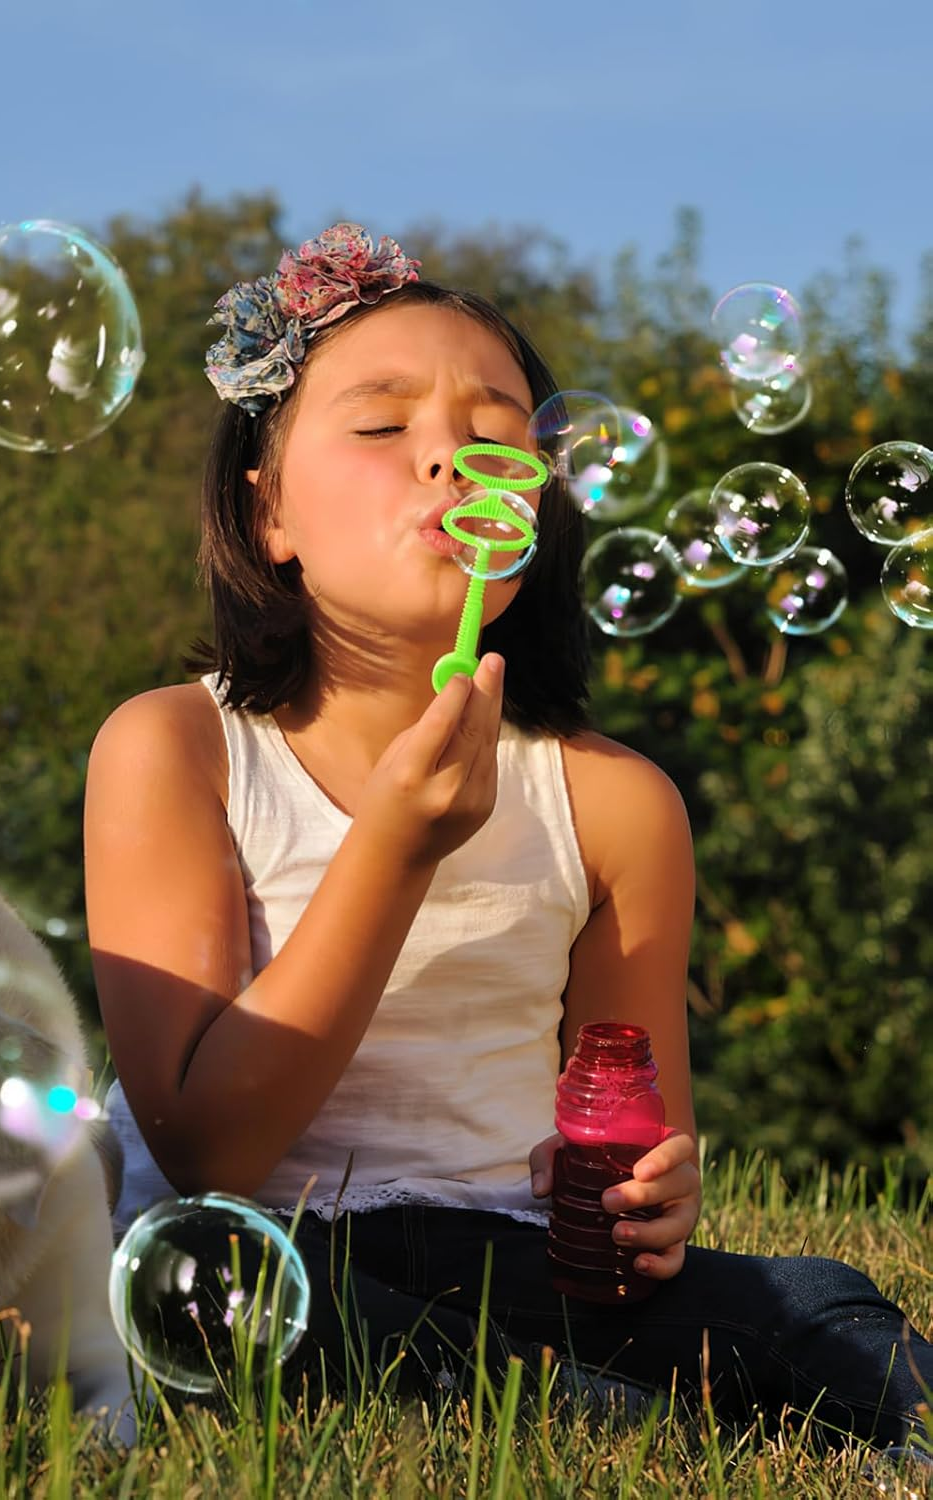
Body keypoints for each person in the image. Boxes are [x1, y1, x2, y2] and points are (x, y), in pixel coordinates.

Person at [81, 222, 933, 1457]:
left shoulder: (614, 801)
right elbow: (208, 1148)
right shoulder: (178, 748)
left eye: (495, 436)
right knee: (233, 1292)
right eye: (382, 428)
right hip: (260, 1249)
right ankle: (608, 1423)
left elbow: (629, 1133)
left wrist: (650, 1200)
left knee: (813, 1304)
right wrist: (394, 851)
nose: (448, 458)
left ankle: (579, 1395)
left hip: (519, 1267)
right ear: (267, 510)